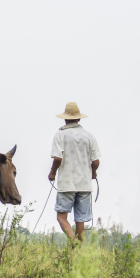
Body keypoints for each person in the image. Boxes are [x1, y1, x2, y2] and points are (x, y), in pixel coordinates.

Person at [48, 101, 101, 243]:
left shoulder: (60, 135)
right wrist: (93, 173)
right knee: (80, 220)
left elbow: (58, 158)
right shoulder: (89, 136)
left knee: (61, 217)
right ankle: (79, 254)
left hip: (67, 183)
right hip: (84, 183)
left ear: (65, 118)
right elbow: (95, 162)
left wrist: (52, 172)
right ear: (79, 118)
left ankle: (75, 244)